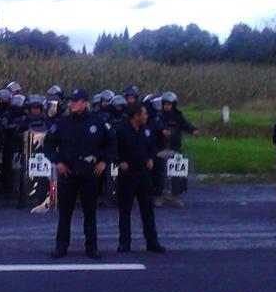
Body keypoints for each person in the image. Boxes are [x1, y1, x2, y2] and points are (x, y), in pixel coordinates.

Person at [44, 88, 116, 260]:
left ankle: (92, 247)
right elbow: (48, 144)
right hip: (68, 173)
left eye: (76, 101)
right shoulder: (62, 123)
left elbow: (111, 142)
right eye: (71, 101)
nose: (72, 104)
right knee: (65, 212)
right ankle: (61, 246)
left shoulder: (97, 122)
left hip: (89, 173)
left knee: (90, 212)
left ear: (84, 103)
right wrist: (57, 161)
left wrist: (104, 161)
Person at [114, 104, 165, 253]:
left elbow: (153, 147)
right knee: (125, 211)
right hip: (127, 175)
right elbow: (113, 148)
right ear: (136, 116)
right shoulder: (121, 131)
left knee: (148, 210)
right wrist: (120, 161)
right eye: (144, 114)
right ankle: (124, 242)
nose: (146, 116)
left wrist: (151, 158)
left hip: (144, 174)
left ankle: (152, 242)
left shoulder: (147, 131)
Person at [154, 91, 200, 208]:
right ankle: (159, 196)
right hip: (161, 150)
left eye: (169, 104)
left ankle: (175, 196)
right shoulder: (158, 116)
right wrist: (162, 131)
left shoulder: (178, 116)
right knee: (160, 173)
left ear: (174, 105)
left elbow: (186, 125)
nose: (167, 106)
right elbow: (156, 126)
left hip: (175, 149)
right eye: (165, 104)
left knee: (176, 174)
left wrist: (193, 130)